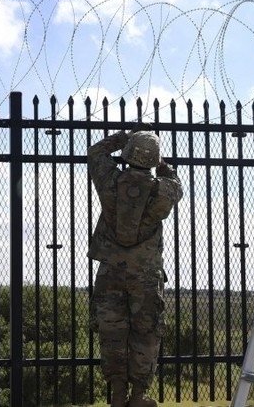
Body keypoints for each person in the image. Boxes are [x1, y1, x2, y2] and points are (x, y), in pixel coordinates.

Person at [87, 126, 184, 407]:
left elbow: (96, 152)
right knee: (146, 331)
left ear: (127, 155)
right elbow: (174, 179)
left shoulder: (109, 183)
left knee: (112, 331)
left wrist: (125, 136)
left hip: (111, 271)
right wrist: (160, 161)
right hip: (146, 275)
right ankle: (139, 395)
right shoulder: (164, 192)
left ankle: (118, 394)